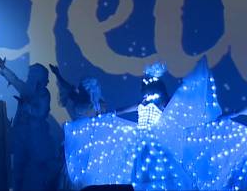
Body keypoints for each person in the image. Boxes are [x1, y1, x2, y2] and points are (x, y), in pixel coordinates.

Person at [64, 58, 220, 190]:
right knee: (138, 166)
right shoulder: (143, 102)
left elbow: (172, 109)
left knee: (155, 166)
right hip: (139, 138)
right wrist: (109, 115)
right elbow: (123, 110)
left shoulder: (161, 103)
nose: (143, 86)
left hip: (153, 139)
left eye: (145, 83)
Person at [0, 56, 59, 190]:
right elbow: (15, 80)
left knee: (37, 167)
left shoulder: (43, 94)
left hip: (36, 136)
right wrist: (4, 68)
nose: (29, 78)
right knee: (19, 164)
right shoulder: (27, 90)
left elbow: (41, 113)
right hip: (21, 134)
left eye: (32, 75)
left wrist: (27, 108)